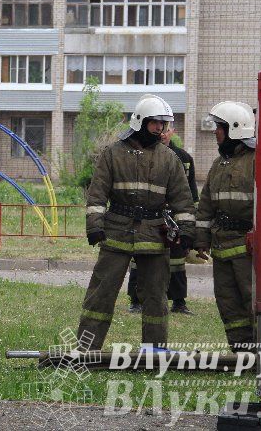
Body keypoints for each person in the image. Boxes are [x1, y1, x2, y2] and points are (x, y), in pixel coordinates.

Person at [77, 94, 195, 351]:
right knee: (101, 292)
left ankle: (154, 349)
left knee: (156, 296)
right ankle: (87, 348)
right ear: (140, 121)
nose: (160, 129)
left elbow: (183, 201)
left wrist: (186, 232)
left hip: (153, 235)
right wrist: (94, 226)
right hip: (116, 232)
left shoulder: (169, 159)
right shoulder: (113, 154)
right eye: (155, 123)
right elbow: (97, 195)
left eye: (163, 124)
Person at [195, 101, 256, 351]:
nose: (215, 133)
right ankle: (241, 350)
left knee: (251, 299)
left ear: (234, 129)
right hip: (221, 247)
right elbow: (206, 205)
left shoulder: (257, 161)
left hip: (248, 247)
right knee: (228, 302)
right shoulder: (218, 164)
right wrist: (200, 241)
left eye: (219, 127)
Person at [127, 124, 199, 315]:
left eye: (166, 129)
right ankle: (136, 300)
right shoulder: (143, 154)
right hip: (149, 215)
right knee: (140, 257)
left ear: (173, 131)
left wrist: (191, 225)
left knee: (177, 260)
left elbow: (191, 195)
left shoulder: (184, 158)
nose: (162, 133)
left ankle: (179, 302)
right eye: (160, 129)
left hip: (174, 217)